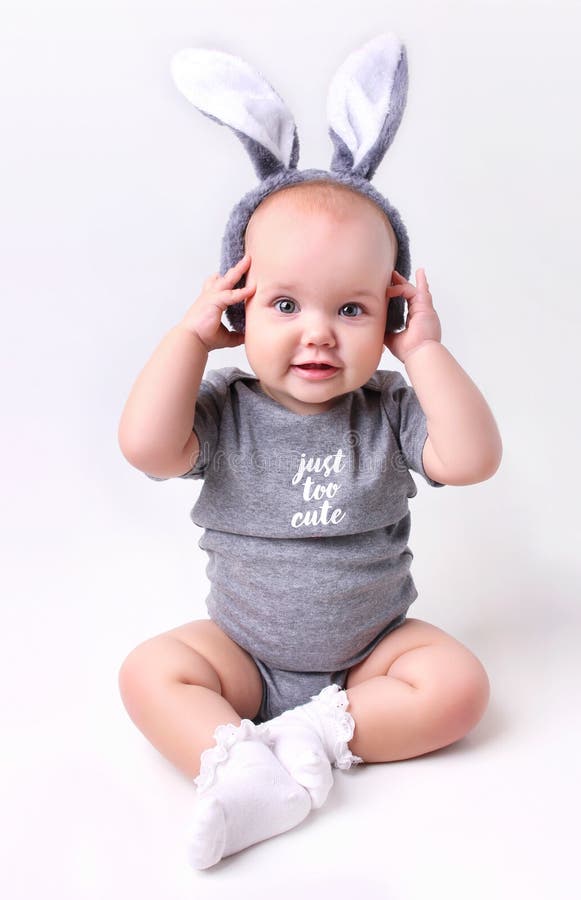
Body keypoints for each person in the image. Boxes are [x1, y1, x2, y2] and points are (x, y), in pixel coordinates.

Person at [117, 179, 502, 869]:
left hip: (372, 660)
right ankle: (238, 770)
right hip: (244, 656)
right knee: (149, 672)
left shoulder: (388, 409)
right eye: (286, 304)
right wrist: (188, 341)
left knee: (459, 687)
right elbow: (146, 445)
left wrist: (425, 353)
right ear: (239, 311)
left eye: (351, 308)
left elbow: (472, 459)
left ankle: (314, 738)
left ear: (389, 317)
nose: (318, 332)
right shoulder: (224, 408)